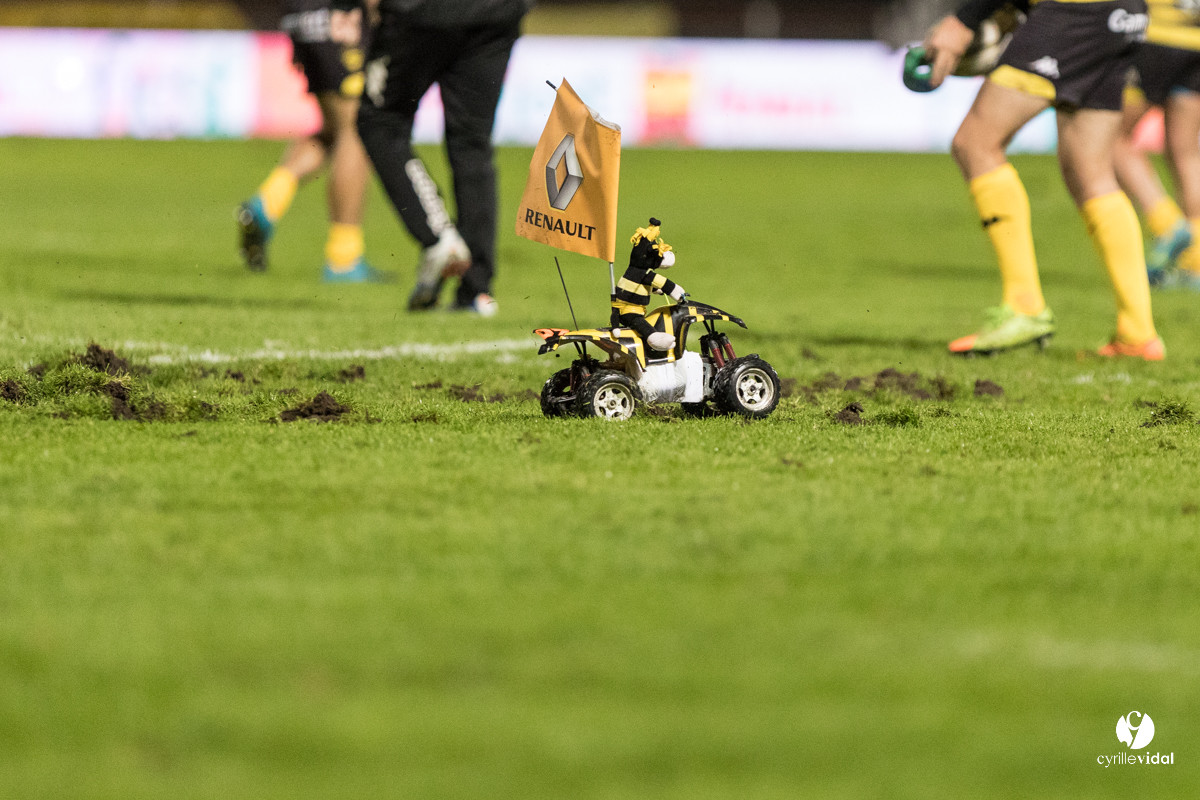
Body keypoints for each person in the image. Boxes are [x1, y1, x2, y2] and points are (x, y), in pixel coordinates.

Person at [925, 0, 1164, 359]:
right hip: (1124, 14)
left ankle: (1025, 306)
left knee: (975, 143)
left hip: (1072, 11)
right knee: (1091, 173)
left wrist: (964, 20)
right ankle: (1137, 333)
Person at [331, 0, 534, 316]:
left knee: (379, 122)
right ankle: (476, 291)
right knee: (472, 144)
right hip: (496, 14)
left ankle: (438, 237)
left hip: (422, 12)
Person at [237, 0, 385, 283]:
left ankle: (267, 203)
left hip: (300, 15)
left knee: (334, 131)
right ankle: (344, 258)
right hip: (343, 14)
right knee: (357, 130)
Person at [1112, 0, 1200, 289]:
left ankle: (1169, 227)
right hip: (1195, 41)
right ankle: (1196, 260)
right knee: (1185, 151)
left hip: (1155, 37)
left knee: (1112, 140)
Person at [611, 218, 687, 353]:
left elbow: (642, 287)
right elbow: (668, 285)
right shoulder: (646, 274)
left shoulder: (632, 270)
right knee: (640, 324)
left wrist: (656, 290)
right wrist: (680, 295)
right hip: (631, 312)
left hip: (621, 310)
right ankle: (654, 339)